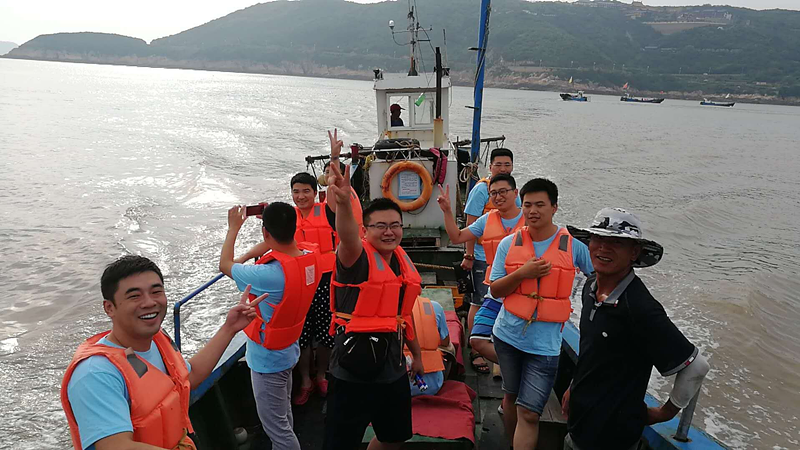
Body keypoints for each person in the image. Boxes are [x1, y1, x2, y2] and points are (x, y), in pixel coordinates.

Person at [62, 255, 266, 450]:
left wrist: (229, 329)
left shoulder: (159, 340)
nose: (149, 302)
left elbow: (189, 378)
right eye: (134, 296)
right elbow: (115, 446)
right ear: (109, 308)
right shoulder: (96, 373)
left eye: (156, 292)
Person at [561, 208, 710, 450]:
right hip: (578, 424)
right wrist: (573, 386)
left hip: (613, 437)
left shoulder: (640, 307)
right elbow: (592, 349)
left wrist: (664, 413)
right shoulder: (590, 288)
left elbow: (696, 366)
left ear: (634, 252)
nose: (603, 248)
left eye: (616, 242)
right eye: (598, 238)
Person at [322, 146, 425, 450]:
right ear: (366, 230)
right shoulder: (356, 258)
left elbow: (403, 316)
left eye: (395, 225)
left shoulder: (401, 262)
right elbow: (346, 235)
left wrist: (417, 356)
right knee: (341, 443)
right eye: (380, 226)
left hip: (392, 368)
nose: (389, 232)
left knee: (394, 437)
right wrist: (343, 202)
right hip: (351, 370)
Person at [489, 178, 594, 450]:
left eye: (540, 205)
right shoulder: (509, 244)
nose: (532, 211)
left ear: (554, 207)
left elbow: (598, 276)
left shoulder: (573, 246)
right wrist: (522, 274)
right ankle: (512, 442)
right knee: (510, 397)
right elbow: (495, 290)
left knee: (530, 412)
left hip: (544, 346)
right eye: (527, 205)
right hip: (507, 336)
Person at [219, 202, 322, 450]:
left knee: (278, 430)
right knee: (283, 415)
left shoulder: (267, 275)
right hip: (288, 350)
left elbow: (225, 265)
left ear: (265, 232)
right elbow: (281, 245)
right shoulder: (309, 258)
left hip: (267, 362)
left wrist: (233, 228)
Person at [436, 173, 524, 367]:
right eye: (494, 193)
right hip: (496, 288)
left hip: (523, 290)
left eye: (503, 192)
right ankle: (508, 363)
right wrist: (447, 211)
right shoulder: (487, 220)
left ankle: (514, 368)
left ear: (515, 193)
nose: (498, 197)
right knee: (477, 338)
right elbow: (457, 237)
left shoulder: (530, 219)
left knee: (515, 336)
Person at [462, 148, 519, 374]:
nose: (503, 168)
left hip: (509, 262)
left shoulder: (513, 191)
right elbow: (470, 224)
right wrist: (469, 255)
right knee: (478, 301)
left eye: (507, 164)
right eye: (498, 164)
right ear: (491, 166)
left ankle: (500, 346)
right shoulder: (481, 190)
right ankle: (476, 350)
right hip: (482, 256)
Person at [405, 297, 451, 397]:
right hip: (432, 387)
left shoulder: (386, 312)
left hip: (394, 385)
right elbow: (445, 342)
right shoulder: (435, 306)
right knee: (450, 348)